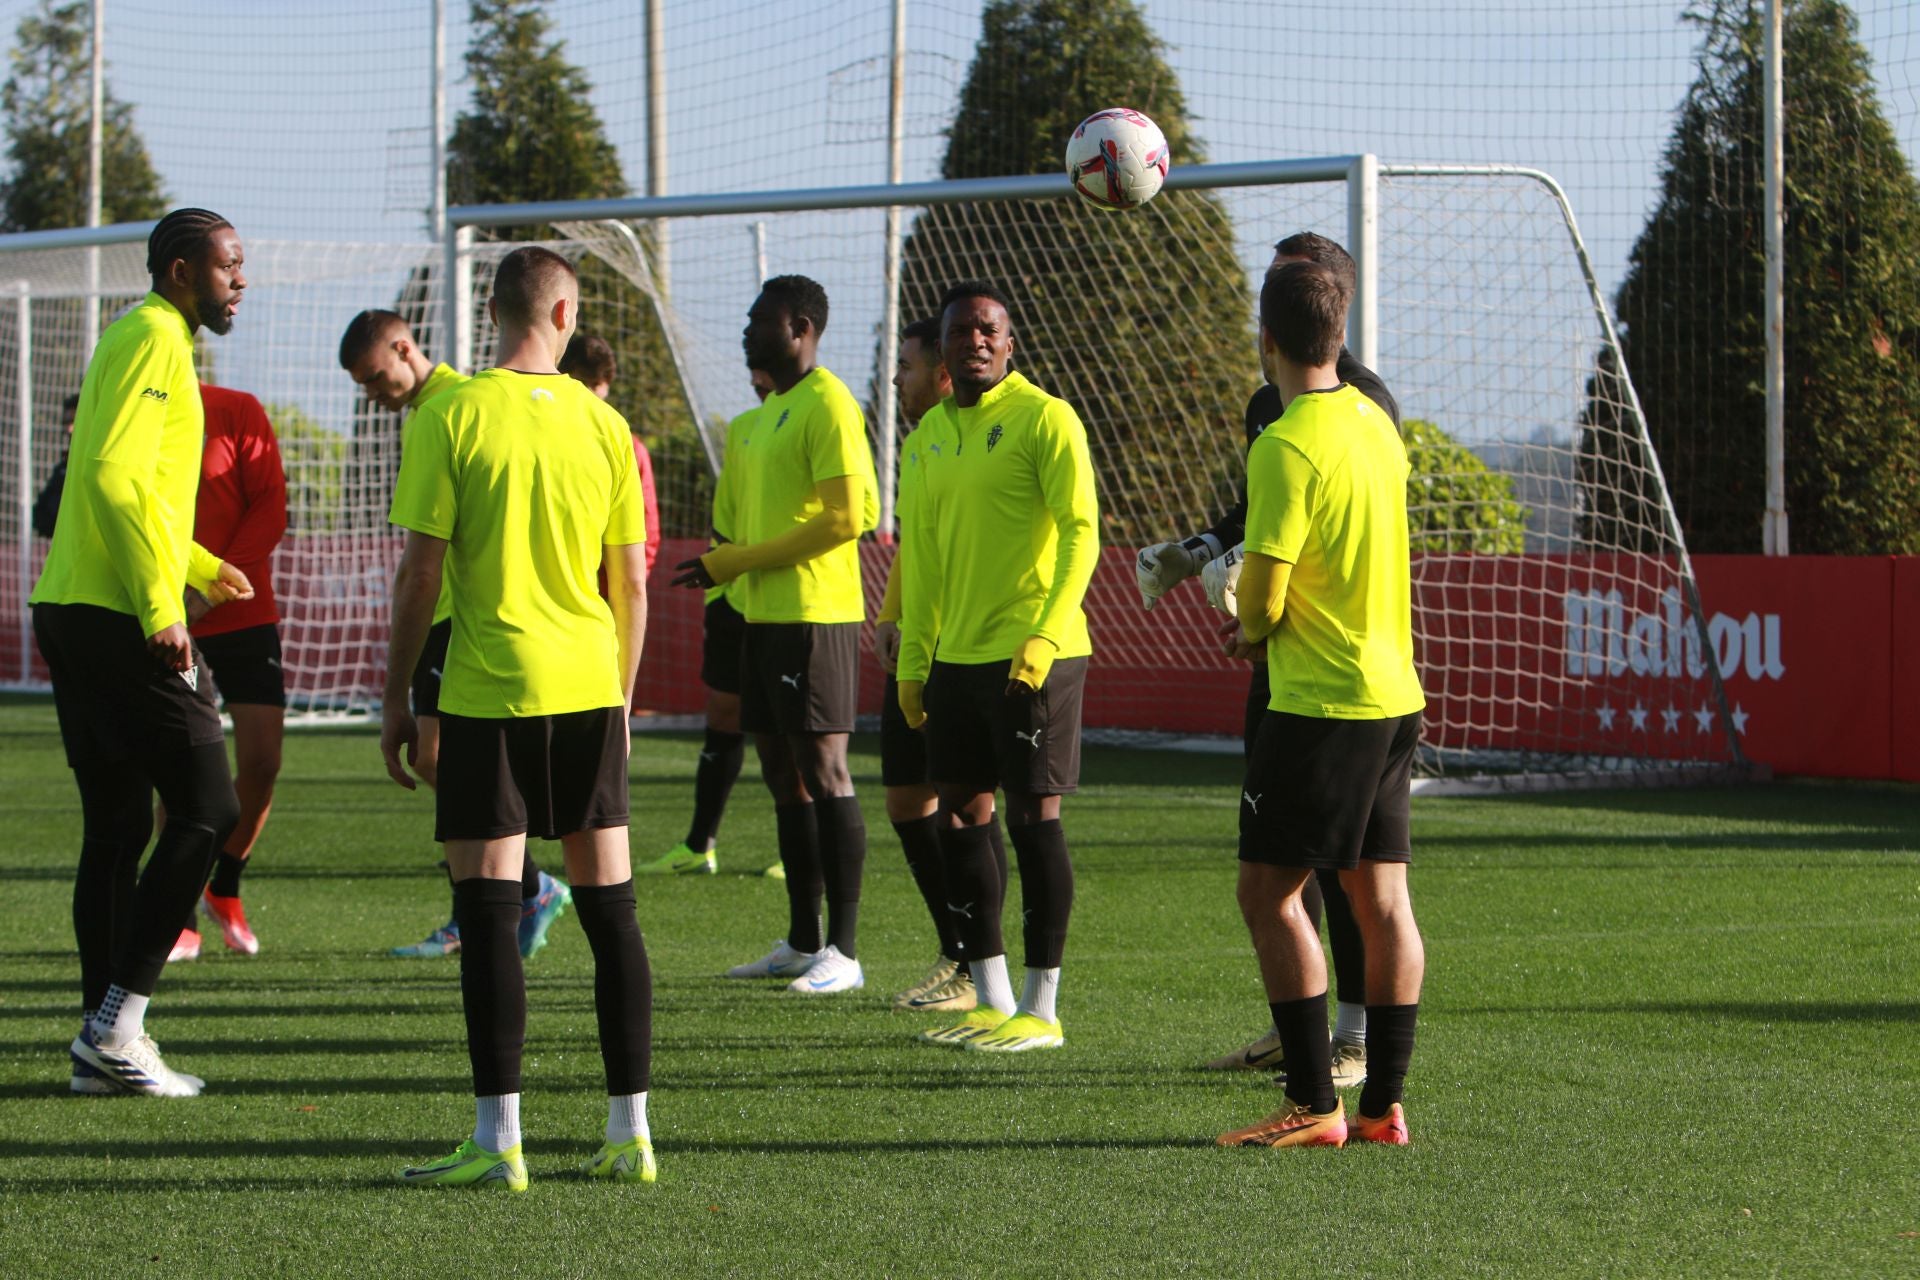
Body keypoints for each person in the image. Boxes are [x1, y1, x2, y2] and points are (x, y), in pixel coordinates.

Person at [384, 246, 656, 1190]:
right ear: (567, 313)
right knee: (611, 912)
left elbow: (422, 574)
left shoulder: (452, 411)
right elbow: (630, 582)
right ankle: (632, 1135)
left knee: (489, 913)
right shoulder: (605, 423)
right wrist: (620, 703)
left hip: (488, 689)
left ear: (496, 312)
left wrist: (393, 697)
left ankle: (499, 1141)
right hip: (588, 688)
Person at [1135, 232, 1400, 1088]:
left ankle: (1336, 1057)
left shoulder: (1354, 408)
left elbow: (1292, 540)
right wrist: (1204, 546)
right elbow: (1260, 508)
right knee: (1321, 872)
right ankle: (1344, 1070)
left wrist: (1252, 612)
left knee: (1299, 882)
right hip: (1337, 679)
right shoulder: (1299, 413)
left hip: (1326, 678)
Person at [37, 208, 254, 1097]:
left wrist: (201, 563)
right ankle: (119, 1027)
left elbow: (120, 482)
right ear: (178, 272)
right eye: (228, 264)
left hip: (78, 607)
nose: (241, 278)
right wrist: (164, 604)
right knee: (210, 808)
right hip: (119, 616)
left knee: (120, 831)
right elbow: (113, 479)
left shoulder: (142, 339)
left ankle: (103, 1043)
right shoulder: (157, 339)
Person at [1216, 261, 1425, 1149]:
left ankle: (1314, 1105)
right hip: (1393, 697)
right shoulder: (1378, 428)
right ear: (1337, 337)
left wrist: (1246, 629)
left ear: (1266, 338)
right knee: (1383, 905)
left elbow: (1262, 597)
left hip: (1320, 705)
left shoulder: (1285, 442)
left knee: (1266, 895)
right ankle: (1383, 1105)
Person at [896, 280, 1099, 1052]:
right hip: (956, 661)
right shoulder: (924, 441)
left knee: (1032, 820)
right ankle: (990, 997)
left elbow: (1082, 533)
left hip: (1035, 659)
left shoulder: (1046, 419)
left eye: (988, 330)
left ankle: (1042, 1010)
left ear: (1010, 343)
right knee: (959, 819)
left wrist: (1044, 638)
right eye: (960, 333)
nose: (975, 341)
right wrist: (916, 661)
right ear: (944, 352)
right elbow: (922, 560)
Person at [338, 309, 571, 960]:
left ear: (405, 348)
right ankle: (514, 891)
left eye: (376, 376)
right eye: (362, 384)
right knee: (442, 765)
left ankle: (500, 898)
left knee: (454, 767)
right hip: (446, 621)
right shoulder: (429, 411)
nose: (372, 393)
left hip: (458, 619)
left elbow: (430, 558)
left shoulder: (452, 408)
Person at [672, 274, 877, 996]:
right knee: (781, 776)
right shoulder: (759, 420)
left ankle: (844, 953)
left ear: (801, 327)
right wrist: (726, 576)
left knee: (826, 772)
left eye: (759, 318)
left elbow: (847, 519)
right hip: (757, 618)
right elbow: (741, 526)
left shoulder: (829, 402)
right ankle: (801, 938)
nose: (745, 328)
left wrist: (737, 561)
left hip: (814, 617)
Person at [872, 316, 1007, 1014]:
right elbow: (915, 544)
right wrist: (894, 615)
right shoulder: (922, 441)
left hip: (975, 649)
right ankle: (957, 947)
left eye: (908, 364)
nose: (897, 377)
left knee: (972, 805)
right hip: (922, 645)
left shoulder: (1000, 431)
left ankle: (980, 964)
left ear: (943, 373)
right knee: (906, 800)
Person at [167, 384, 289, 960]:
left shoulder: (237, 408)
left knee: (263, 762)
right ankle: (178, 911)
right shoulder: (140, 405)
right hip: (170, 616)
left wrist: (217, 585)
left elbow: (271, 503)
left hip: (242, 608)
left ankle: (226, 886)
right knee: (184, 762)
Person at [640, 367, 772, 877]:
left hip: (784, 601)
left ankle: (805, 852)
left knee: (788, 736)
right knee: (721, 716)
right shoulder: (742, 428)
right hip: (730, 592)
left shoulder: (819, 416)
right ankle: (700, 846)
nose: (756, 371)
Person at [559, 332, 661, 575]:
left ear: (606, 385)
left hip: (604, 591)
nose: (589, 394)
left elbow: (646, 528)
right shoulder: (539, 433)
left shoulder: (626, 446)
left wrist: (626, 585)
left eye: (596, 385)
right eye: (583, 383)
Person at [30, 394, 81, 539]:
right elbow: (41, 513)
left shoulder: (89, 461)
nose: (69, 428)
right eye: (66, 422)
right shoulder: (63, 468)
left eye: (73, 421)